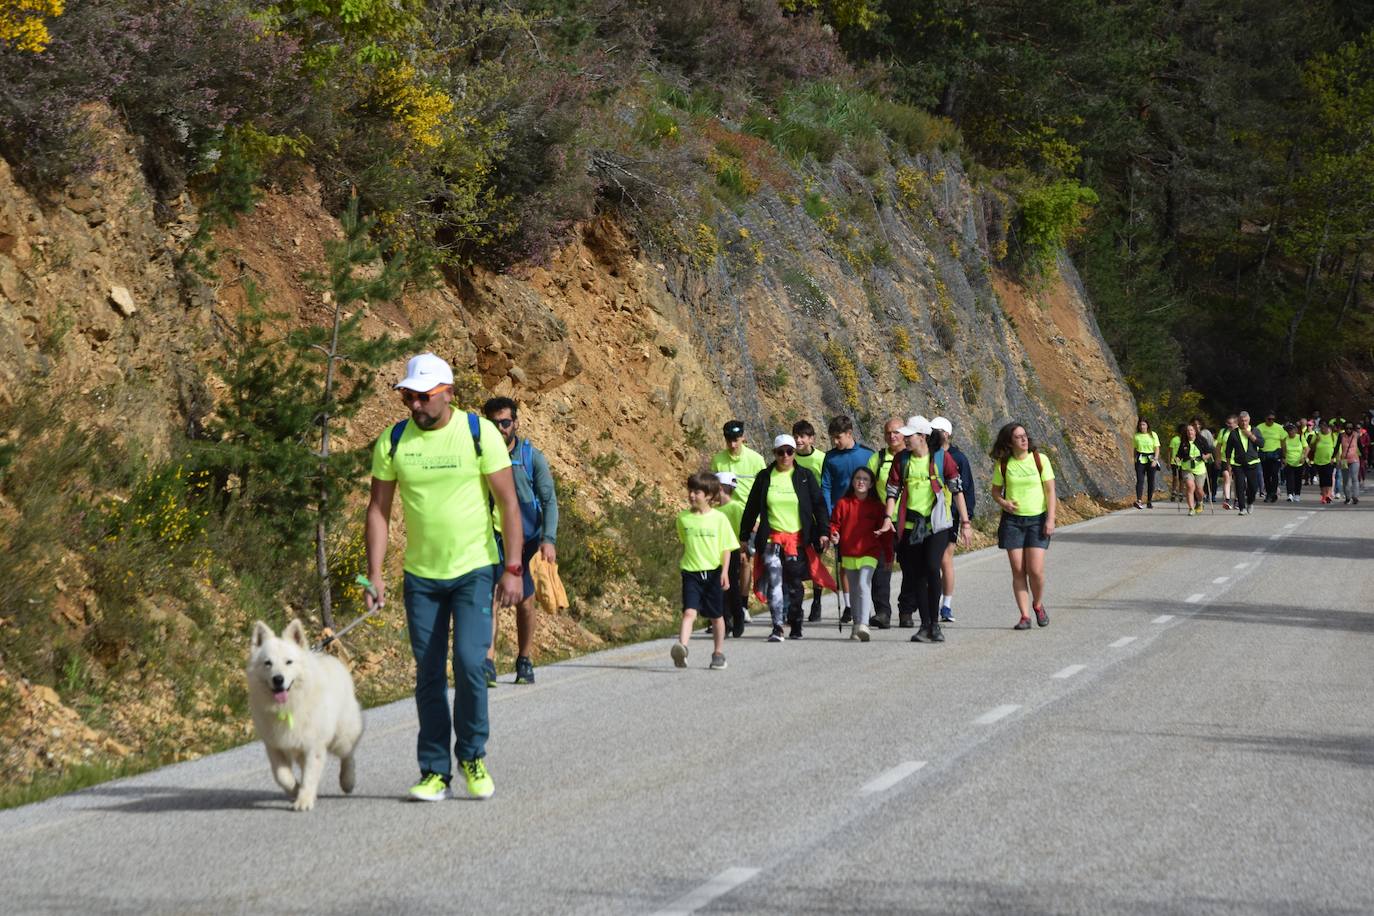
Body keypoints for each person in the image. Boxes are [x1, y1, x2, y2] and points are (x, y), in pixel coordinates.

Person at [365, 353, 524, 802]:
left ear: (448, 392)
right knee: (429, 674)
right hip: (421, 578)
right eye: (408, 397)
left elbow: (509, 505)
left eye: (423, 396)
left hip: (474, 570)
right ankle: (434, 770)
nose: (414, 405)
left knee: (473, 666)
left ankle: (472, 755)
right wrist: (374, 574)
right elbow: (378, 511)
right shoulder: (393, 442)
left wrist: (512, 568)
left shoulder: (479, 434)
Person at [481, 396, 559, 687]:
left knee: (525, 603)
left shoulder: (531, 458)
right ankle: (488, 662)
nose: (500, 428)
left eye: (505, 422)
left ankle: (524, 659)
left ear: (515, 423)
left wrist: (548, 539)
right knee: (491, 598)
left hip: (526, 542)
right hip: (492, 537)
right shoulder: (480, 457)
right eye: (494, 423)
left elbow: (550, 501)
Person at [880, 416, 971, 642]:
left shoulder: (942, 458)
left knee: (932, 566)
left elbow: (958, 490)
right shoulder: (902, 460)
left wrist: (966, 523)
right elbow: (892, 491)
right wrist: (887, 518)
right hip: (910, 526)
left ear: (922, 437)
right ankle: (926, 625)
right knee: (917, 575)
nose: (904, 439)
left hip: (937, 525)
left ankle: (935, 624)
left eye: (909, 435)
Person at [739, 434, 832, 641]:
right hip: (772, 539)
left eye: (789, 451)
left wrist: (824, 532)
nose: (785, 456)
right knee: (774, 582)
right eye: (781, 452)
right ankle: (777, 626)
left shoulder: (804, 476)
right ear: (774, 453)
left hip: (797, 541)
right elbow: (751, 507)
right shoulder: (765, 477)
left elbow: (819, 505)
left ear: (794, 453)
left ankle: (796, 620)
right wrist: (744, 535)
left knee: (794, 584)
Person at [989, 422, 1057, 630]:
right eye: (1018, 437)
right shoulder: (1003, 464)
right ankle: (1025, 616)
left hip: (1037, 520)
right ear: (1010, 442)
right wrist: (1004, 503)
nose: (1024, 439)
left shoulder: (1040, 459)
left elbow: (1050, 491)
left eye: (1025, 436)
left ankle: (1037, 604)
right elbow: (995, 492)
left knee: (1035, 570)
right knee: (1018, 571)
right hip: (1013, 522)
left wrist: (1050, 519)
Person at [672, 472, 738, 671]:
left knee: (716, 615)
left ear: (709, 495)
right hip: (691, 573)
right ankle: (682, 648)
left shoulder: (719, 519)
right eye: (690, 491)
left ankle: (718, 653)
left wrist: (725, 572)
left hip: (713, 573)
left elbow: (726, 547)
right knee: (689, 612)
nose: (692, 495)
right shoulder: (683, 518)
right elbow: (685, 541)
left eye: (697, 492)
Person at [828, 466, 891, 641]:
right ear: (853, 482)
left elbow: (886, 533)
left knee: (864, 584)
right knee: (855, 590)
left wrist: (889, 555)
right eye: (858, 478)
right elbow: (834, 524)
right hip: (848, 552)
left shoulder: (878, 507)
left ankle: (864, 624)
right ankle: (857, 625)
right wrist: (834, 534)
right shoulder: (843, 504)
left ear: (871, 484)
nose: (861, 482)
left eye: (865, 479)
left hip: (870, 552)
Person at [931, 416, 973, 624]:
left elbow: (965, 489)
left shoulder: (958, 458)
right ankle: (931, 602)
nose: (934, 434)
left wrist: (967, 519)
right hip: (928, 515)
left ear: (946, 434)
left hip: (951, 516)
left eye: (937, 431)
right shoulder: (927, 455)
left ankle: (946, 604)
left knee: (944, 558)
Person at [865, 418, 906, 628]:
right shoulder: (877, 459)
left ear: (905, 433)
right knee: (881, 569)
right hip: (883, 524)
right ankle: (882, 612)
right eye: (889, 433)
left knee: (912, 569)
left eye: (896, 432)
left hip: (909, 523)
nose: (892, 436)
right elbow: (867, 487)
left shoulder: (912, 457)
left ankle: (907, 610)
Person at [792, 420, 829, 622]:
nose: (799, 440)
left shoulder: (821, 459)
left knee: (816, 562)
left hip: (815, 518)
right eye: (796, 436)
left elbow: (825, 489)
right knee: (796, 563)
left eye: (802, 436)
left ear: (811, 439)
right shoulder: (791, 458)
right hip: (795, 518)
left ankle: (817, 602)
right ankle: (796, 602)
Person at [714, 472, 750, 637]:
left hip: (733, 551)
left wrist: (743, 551)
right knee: (719, 588)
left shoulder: (736, 507)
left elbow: (743, 531)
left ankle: (738, 617)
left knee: (732, 587)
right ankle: (724, 620)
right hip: (716, 552)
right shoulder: (714, 510)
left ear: (720, 488)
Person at [1224, 412, 1262, 516]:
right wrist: (1228, 465)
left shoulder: (1255, 430)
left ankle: (1250, 502)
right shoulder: (1234, 433)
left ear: (1249, 420)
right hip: (1238, 463)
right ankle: (1242, 508)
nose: (1244, 423)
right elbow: (1228, 450)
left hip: (1253, 462)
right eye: (1242, 421)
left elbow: (1261, 444)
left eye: (1246, 420)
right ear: (1238, 421)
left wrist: (1250, 435)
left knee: (1253, 487)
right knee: (1240, 486)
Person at [1175, 423, 1207, 516]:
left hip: (1199, 468)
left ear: (1195, 431)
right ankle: (1191, 508)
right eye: (1188, 431)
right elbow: (1179, 455)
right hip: (1187, 468)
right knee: (1190, 486)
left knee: (1199, 490)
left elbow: (1209, 453)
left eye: (1191, 430)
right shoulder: (1184, 443)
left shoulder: (1201, 441)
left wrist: (1205, 456)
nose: (1190, 432)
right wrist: (1177, 459)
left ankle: (1200, 502)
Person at [1256, 412, 1285, 502]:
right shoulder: (1259, 427)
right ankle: (1269, 493)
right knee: (1266, 475)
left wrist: (1284, 455)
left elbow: (1283, 441)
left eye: (1273, 419)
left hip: (1275, 454)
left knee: (1275, 474)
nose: (1271, 421)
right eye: (1269, 419)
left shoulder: (1279, 428)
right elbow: (1256, 440)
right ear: (1265, 419)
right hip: (1264, 454)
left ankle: (1273, 492)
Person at [1132, 417, 1161, 509]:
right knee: (1140, 480)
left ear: (1147, 425)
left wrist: (1155, 460)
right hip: (1140, 459)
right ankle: (1139, 500)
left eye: (1143, 424)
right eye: (1140, 425)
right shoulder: (1136, 436)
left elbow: (1157, 448)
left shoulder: (1153, 434)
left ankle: (1149, 500)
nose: (1142, 426)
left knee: (1151, 480)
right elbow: (1135, 448)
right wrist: (1134, 459)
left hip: (1151, 459)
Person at [1311, 419, 1339, 504]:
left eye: (1324, 426)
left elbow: (1336, 449)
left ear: (1328, 427)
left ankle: (1328, 495)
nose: (1322, 428)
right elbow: (1312, 448)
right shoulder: (1316, 435)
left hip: (1329, 460)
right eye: (1321, 426)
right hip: (1319, 460)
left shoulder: (1333, 436)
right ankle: (1323, 496)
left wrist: (1336, 459)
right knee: (1322, 478)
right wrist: (1316, 441)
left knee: (1329, 477)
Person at [1282, 423, 1308, 502]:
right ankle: (1290, 494)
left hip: (1299, 462)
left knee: (1298, 479)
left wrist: (1303, 457)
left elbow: (1307, 448)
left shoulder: (1300, 437)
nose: (1291, 432)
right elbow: (1283, 450)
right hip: (1289, 462)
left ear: (1295, 430)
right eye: (1289, 430)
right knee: (1289, 479)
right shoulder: (1285, 439)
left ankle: (1297, 494)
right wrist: (1284, 458)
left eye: (1292, 430)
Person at [1339, 421, 1362, 504]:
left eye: (1351, 428)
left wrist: (1365, 458)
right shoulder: (1341, 436)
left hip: (1354, 460)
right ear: (1344, 428)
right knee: (1345, 480)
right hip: (1344, 460)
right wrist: (1332, 457)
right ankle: (1348, 497)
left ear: (1353, 429)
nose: (1349, 429)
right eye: (1347, 428)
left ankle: (1355, 496)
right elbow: (1336, 447)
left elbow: (1360, 446)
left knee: (1354, 478)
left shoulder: (1356, 435)